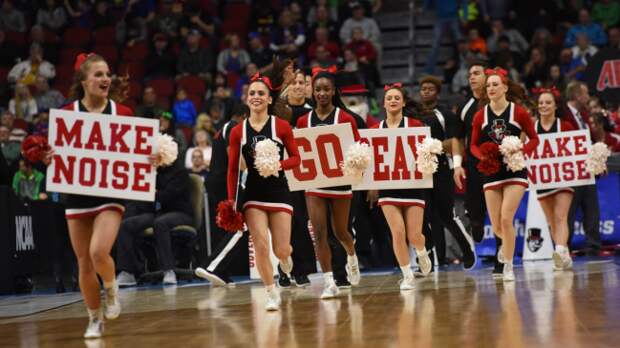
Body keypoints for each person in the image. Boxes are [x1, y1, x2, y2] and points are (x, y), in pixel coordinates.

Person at [45, 53, 134, 338]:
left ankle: (111, 287)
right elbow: (57, 153)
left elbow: (137, 153)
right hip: (77, 193)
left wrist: (152, 157)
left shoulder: (123, 114)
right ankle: (94, 318)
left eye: (107, 73)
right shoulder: (66, 114)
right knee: (83, 261)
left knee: (98, 252)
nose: (105, 79)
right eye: (98, 74)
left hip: (111, 193)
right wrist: (49, 157)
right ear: (83, 80)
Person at [225, 72, 301, 310]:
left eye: (261, 93)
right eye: (252, 93)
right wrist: (231, 202)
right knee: (260, 243)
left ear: (269, 99)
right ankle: (271, 292)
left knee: (281, 249)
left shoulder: (282, 126)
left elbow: (297, 159)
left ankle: (286, 262)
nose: (256, 97)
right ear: (247, 99)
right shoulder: (238, 131)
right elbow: (232, 171)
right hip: (253, 195)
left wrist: (278, 165)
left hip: (279, 192)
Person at [296, 67, 362, 299]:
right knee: (320, 232)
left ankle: (351, 255)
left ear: (334, 91)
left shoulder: (345, 118)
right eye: (318, 90)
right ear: (312, 93)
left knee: (341, 231)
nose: (322, 93)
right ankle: (329, 282)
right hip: (315, 184)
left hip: (341, 183)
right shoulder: (304, 121)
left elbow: (358, 150)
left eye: (326, 89)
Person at [470, 67, 539, 282]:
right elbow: (472, 145)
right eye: (488, 85)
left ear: (505, 88)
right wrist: (482, 156)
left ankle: (508, 264)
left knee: (506, 217)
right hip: (491, 171)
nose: (490, 88)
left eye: (495, 84)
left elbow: (535, 139)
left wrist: (519, 150)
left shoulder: (518, 112)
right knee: (498, 225)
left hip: (515, 170)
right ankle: (507, 248)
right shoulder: (480, 115)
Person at [367, 83, 431, 290]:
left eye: (397, 98)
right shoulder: (374, 131)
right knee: (397, 231)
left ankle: (421, 251)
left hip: (413, 185)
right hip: (388, 187)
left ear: (403, 102)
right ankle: (407, 274)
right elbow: (369, 161)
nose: (393, 101)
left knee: (414, 234)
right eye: (389, 98)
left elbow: (427, 154)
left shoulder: (416, 126)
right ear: (383, 104)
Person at [416, 75, 476, 269]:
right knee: (425, 217)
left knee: (446, 215)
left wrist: (433, 147)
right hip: (420, 172)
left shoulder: (445, 114)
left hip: (442, 169)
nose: (426, 91)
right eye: (423, 88)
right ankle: (431, 259)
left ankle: (467, 250)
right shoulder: (413, 114)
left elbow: (455, 143)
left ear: (437, 92)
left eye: (430, 89)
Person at [453, 61, 504, 278]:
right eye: (470, 74)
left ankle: (501, 259)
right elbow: (457, 138)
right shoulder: (465, 107)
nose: (472, 77)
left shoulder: (500, 103)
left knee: (500, 216)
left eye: (476, 73)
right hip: (474, 166)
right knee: (475, 212)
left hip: (499, 166)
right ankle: (475, 222)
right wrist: (456, 165)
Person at [116, 159, 193, 287]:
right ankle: (127, 272)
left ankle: (169, 270)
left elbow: (167, 196)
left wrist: (152, 192)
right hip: (159, 213)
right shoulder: (153, 172)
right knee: (126, 225)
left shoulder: (180, 172)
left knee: (160, 223)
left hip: (181, 213)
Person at [195, 104, 248, 286]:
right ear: (244, 116)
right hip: (225, 184)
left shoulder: (222, 128)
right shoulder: (233, 128)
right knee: (239, 226)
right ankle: (212, 266)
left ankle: (220, 273)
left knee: (223, 228)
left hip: (215, 181)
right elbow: (233, 159)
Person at [532, 87, 574, 270]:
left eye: (548, 102)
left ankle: (559, 249)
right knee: (551, 221)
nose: (544, 105)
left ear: (556, 105)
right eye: (541, 103)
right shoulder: (531, 128)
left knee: (561, 215)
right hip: (542, 179)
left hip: (564, 178)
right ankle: (565, 255)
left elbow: (578, 149)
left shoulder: (565, 126)